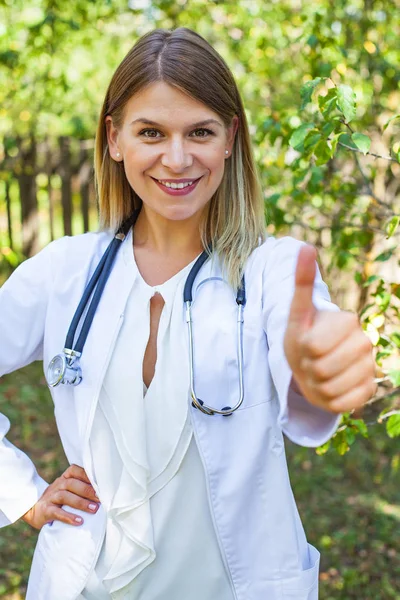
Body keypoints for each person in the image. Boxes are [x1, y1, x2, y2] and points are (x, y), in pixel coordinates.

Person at [0, 27, 376, 600]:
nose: (177, 158)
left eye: (199, 132)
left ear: (230, 138)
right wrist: (21, 494)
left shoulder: (271, 272)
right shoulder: (66, 271)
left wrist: (318, 365)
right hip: (87, 586)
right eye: (151, 132)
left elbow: (303, 350)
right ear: (114, 139)